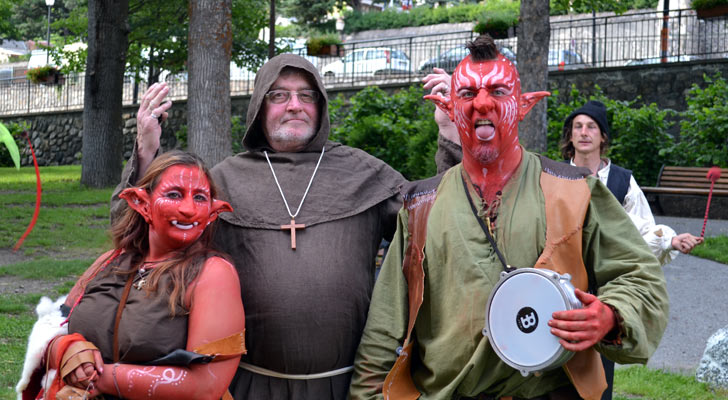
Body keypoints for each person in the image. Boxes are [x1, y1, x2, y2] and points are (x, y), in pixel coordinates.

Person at [110, 54, 459, 399]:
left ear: (321, 106)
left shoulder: (362, 172)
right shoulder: (223, 181)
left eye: (306, 95)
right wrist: (146, 149)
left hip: (348, 386)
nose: (294, 105)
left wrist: (450, 135)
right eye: (279, 95)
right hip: (250, 385)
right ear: (259, 108)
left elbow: (441, 222)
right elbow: (137, 236)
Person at [349, 34, 669, 400]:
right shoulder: (421, 205)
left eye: (498, 92)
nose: (481, 104)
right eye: (467, 94)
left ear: (522, 105)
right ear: (450, 107)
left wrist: (612, 315)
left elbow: (640, 276)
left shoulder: (576, 191)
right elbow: (384, 330)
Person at [17, 150, 245, 400]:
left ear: (213, 212)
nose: (189, 209)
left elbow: (206, 386)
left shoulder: (213, 274)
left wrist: (101, 378)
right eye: (174, 195)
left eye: (200, 197)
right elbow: (54, 327)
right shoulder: (110, 260)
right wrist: (67, 349)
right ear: (142, 202)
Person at [561, 100, 703, 266]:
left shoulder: (622, 180)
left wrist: (669, 241)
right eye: (578, 126)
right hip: (562, 272)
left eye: (591, 127)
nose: (584, 132)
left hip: (611, 274)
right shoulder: (555, 175)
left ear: (603, 137)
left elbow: (641, 232)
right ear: (571, 136)